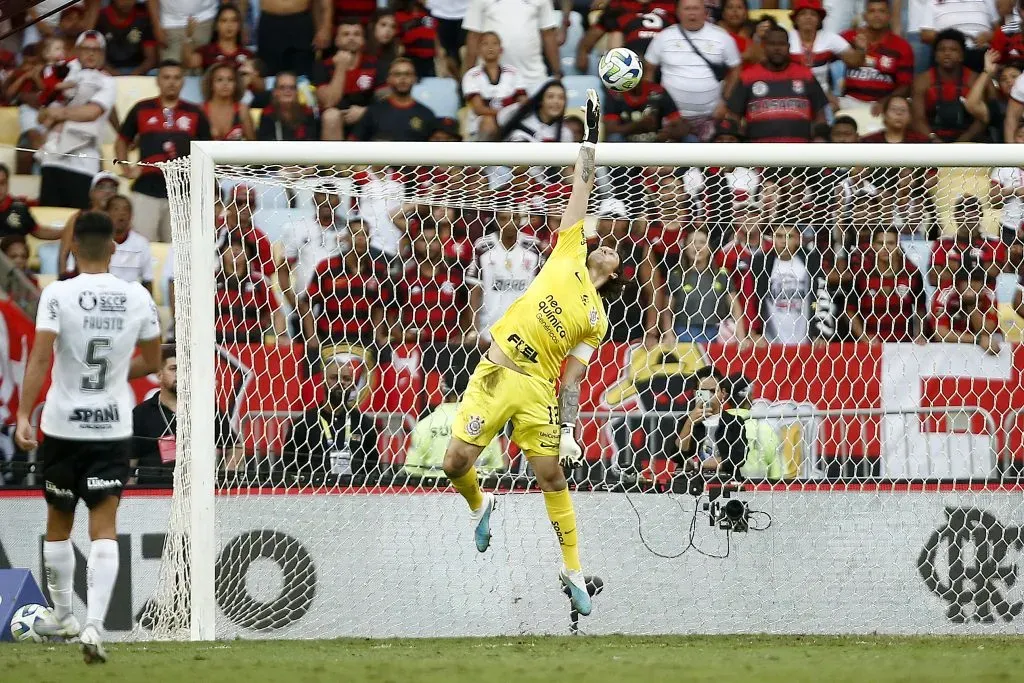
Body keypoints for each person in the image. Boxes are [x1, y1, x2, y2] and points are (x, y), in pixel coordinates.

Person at [442, 91, 622, 617]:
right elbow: (582, 186)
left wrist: (569, 429)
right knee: (454, 463)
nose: (607, 243)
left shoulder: (598, 318)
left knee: (551, 476)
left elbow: (573, 379)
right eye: (603, 240)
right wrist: (591, 136)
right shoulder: (568, 248)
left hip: (538, 392)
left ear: (613, 275)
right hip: (496, 374)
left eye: (615, 249)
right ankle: (482, 504)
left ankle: (572, 570)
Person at [14, 210, 162, 663]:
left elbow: (40, 359)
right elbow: (153, 362)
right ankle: (95, 626)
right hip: (112, 426)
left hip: (62, 426)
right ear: (115, 247)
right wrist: (117, 374)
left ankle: (63, 616)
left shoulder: (56, 293)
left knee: (59, 522)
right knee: (104, 525)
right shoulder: (138, 296)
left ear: (72, 245)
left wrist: (23, 413)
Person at [116, 60, 212, 243]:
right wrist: (126, 168)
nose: (171, 82)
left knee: (179, 253)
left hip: (182, 193)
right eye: (166, 77)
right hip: (145, 191)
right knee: (143, 246)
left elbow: (208, 149)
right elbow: (122, 141)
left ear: (183, 81)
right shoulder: (141, 108)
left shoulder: (195, 112)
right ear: (158, 81)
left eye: (176, 78)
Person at [132, 345, 240, 484]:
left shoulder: (205, 409)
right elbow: (130, 460)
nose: (180, 373)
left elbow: (237, 447)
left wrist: (223, 478)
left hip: (196, 493)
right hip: (152, 493)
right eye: (173, 368)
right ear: (159, 375)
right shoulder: (142, 412)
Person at [36, 30, 117, 210]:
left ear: (103, 54)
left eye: (96, 50)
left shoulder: (107, 82)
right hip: (52, 160)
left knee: (77, 224)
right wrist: (54, 113)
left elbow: (91, 113)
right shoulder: (62, 72)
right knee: (50, 216)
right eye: (86, 49)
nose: (91, 53)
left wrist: (57, 114)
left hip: (83, 164)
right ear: (77, 50)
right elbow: (41, 115)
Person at [644, 0, 742, 142]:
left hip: (710, 118)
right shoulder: (663, 37)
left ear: (705, 12)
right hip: (672, 120)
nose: (692, 13)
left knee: (708, 162)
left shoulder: (722, 37)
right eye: (687, 9)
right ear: (678, 13)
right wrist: (654, 107)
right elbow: (649, 71)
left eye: (696, 8)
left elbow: (736, 70)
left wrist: (725, 102)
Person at [300, 218, 392, 349]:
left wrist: (377, 336)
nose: (360, 238)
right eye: (355, 234)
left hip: (363, 340)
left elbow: (379, 307)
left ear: (370, 239)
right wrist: (312, 336)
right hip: (329, 339)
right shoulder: (327, 267)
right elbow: (306, 304)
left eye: (365, 234)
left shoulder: (378, 270)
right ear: (346, 238)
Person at [727, 24, 828, 142]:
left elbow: (820, 116)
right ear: (764, 46)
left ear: (788, 47)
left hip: (799, 154)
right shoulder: (747, 77)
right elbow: (733, 118)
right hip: (759, 156)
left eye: (781, 44)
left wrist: (819, 142)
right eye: (772, 44)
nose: (777, 48)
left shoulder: (806, 75)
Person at [283, 358, 379, 480]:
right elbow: (289, 470)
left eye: (346, 379)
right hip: (314, 494)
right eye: (334, 378)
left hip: (353, 494)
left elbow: (373, 468)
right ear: (323, 380)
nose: (341, 383)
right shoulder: (304, 423)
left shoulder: (363, 423)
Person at [466, 211, 544, 344]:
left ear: (520, 220)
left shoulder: (533, 246)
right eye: (504, 219)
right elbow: (474, 290)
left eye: (514, 218)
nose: (509, 223)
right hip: (488, 329)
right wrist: (475, 330)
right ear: (496, 221)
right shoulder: (483, 246)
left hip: (523, 331)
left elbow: (542, 288)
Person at [404, 378, 505, 479]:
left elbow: (412, 469)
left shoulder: (425, 424)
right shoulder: (484, 423)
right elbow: (496, 467)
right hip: (475, 490)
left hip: (434, 491)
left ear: (443, 391)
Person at [847, 226, 927, 344]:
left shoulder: (911, 273)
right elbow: (849, 311)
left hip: (903, 346)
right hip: (872, 347)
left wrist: (919, 334)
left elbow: (921, 309)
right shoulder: (861, 275)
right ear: (873, 246)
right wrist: (863, 337)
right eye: (880, 243)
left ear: (897, 245)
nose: (885, 247)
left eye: (890, 243)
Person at [462, 0, 561, 91]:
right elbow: (473, 37)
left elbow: (548, 35)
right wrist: (468, 77)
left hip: (532, 78)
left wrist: (557, 71)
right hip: (490, 80)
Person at [788, 0, 866, 112]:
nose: (808, 17)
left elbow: (855, 61)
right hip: (792, 92)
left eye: (813, 14)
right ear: (795, 19)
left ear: (820, 19)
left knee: (831, 109)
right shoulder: (785, 37)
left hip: (822, 95)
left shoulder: (830, 38)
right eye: (803, 14)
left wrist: (861, 49)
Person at [838, 0, 914, 113]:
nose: (877, 15)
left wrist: (885, 102)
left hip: (881, 105)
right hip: (849, 101)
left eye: (881, 11)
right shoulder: (849, 37)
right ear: (865, 16)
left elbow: (905, 87)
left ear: (889, 15)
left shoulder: (902, 46)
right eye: (872, 11)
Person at [911, 28, 985, 143]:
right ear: (935, 56)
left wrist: (961, 142)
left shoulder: (974, 79)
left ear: (962, 55)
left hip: (968, 141)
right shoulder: (922, 80)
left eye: (953, 50)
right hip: (931, 141)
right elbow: (917, 119)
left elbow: (982, 119)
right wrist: (933, 139)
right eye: (942, 49)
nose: (947, 53)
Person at [675, 366, 748, 479]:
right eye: (703, 391)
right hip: (690, 483)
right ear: (695, 393)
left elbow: (738, 457)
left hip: (725, 482)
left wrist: (699, 464)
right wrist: (690, 422)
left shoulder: (734, 422)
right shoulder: (684, 421)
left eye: (713, 391)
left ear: (723, 393)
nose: (708, 396)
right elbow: (676, 455)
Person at [666, 228, 733, 343]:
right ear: (685, 247)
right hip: (683, 333)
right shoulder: (676, 275)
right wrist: (668, 334)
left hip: (717, 333)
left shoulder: (722, 275)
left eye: (702, 242)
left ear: (709, 247)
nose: (697, 246)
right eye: (692, 242)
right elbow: (667, 310)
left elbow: (736, 308)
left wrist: (741, 337)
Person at [576, 0, 677, 75]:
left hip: (667, 63)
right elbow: (595, 32)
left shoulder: (672, 4)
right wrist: (583, 51)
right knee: (615, 34)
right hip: (631, 65)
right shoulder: (619, 5)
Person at [930, 193, 1007, 289]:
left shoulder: (994, 243)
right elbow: (934, 278)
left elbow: (992, 273)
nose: (968, 215)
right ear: (955, 215)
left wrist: (953, 267)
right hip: (949, 295)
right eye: (962, 210)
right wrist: (977, 266)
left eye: (973, 210)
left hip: (983, 295)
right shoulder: (942, 243)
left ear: (980, 215)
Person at [351, 58, 438, 141]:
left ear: (414, 79)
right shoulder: (374, 112)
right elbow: (353, 143)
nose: (403, 78)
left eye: (407, 74)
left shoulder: (426, 114)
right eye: (397, 74)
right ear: (388, 79)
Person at [462, 31, 527, 141]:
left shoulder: (514, 72)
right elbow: (479, 109)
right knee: (488, 121)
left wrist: (510, 115)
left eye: (494, 43)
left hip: (510, 120)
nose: (490, 47)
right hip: (481, 125)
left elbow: (523, 102)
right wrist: (504, 113)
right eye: (485, 44)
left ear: (501, 49)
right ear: (478, 50)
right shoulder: (471, 75)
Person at [57, 171, 121, 279]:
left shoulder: (120, 220)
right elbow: (64, 254)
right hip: (80, 277)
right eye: (102, 187)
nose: (108, 192)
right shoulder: (78, 218)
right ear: (91, 193)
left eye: (112, 188)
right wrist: (63, 280)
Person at [931, 259, 1002, 355]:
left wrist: (972, 305)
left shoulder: (989, 293)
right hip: (947, 350)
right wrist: (977, 340)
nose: (971, 284)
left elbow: (987, 332)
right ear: (958, 281)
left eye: (976, 279)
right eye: (966, 279)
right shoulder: (946, 291)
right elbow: (940, 334)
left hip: (975, 350)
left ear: (983, 281)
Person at [256, 0, 333, 78]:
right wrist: (244, 25)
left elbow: (325, 3)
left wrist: (326, 28)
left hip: (300, 23)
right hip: (269, 24)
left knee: (303, 75)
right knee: (267, 73)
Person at [965, 48, 1021, 143]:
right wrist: (987, 72)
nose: (1008, 81)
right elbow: (971, 105)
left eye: (1014, 76)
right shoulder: (998, 108)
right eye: (1003, 79)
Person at [181, 3, 254, 72]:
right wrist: (188, 36)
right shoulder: (207, 51)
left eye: (234, 21)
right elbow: (189, 63)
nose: (229, 25)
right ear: (216, 25)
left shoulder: (247, 54)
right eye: (224, 21)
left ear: (239, 25)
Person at [94, 0, 158, 75]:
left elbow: (151, 58)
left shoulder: (143, 18)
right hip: (107, 70)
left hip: (137, 70)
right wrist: (115, 74)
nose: (127, 2)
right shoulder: (101, 18)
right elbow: (96, 54)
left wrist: (135, 74)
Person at [0, 163, 62, 240]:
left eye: (2, 183)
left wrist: (67, 231)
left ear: (8, 184)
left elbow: (39, 231)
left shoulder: (19, 208)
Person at [257, 71, 325, 141]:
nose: (287, 91)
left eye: (292, 87)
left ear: (297, 92)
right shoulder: (268, 114)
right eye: (282, 88)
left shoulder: (308, 113)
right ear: (275, 92)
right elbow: (265, 147)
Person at [201, 63, 256, 141]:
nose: (225, 84)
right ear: (210, 84)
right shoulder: (201, 109)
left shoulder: (242, 109)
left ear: (236, 84)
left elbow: (253, 143)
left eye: (230, 80)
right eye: (219, 80)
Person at [990, 127, 1024, 246]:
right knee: (1007, 260)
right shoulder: (1003, 167)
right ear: (1014, 139)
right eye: (1021, 136)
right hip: (1009, 226)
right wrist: (1014, 191)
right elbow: (993, 198)